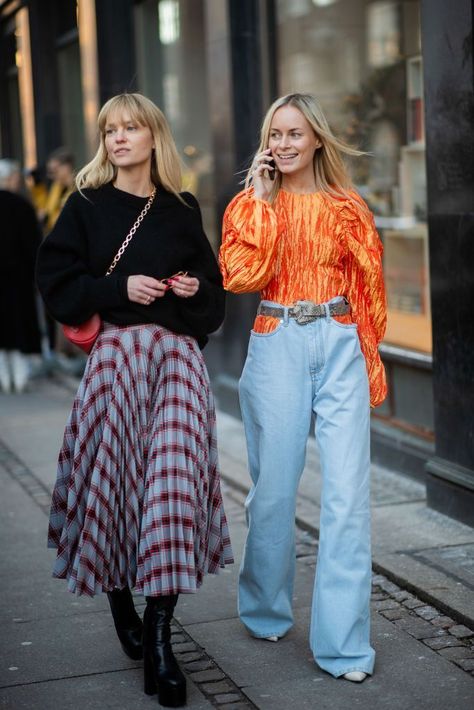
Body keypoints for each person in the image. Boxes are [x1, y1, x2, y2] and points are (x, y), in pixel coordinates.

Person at [36, 92, 233, 708]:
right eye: (110, 130)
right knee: (118, 484)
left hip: (177, 364)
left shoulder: (181, 208)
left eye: (132, 128)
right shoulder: (86, 205)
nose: (120, 138)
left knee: (171, 489)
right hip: (117, 361)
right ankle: (120, 594)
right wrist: (120, 285)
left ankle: (159, 633)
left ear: (154, 137)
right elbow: (58, 283)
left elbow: (214, 302)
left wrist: (196, 286)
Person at [219, 93, 387, 683]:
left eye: (295, 134)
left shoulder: (348, 207)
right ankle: (266, 607)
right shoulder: (249, 205)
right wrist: (264, 205)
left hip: (340, 338)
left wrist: (370, 359)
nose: (284, 145)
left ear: (317, 138)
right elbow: (241, 277)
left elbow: (370, 292)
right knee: (273, 490)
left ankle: (343, 646)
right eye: (276, 135)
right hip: (277, 337)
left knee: (346, 499)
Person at [0, 159, 43, 393]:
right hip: (19, 279)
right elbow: (34, 246)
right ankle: (19, 378)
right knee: (19, 327)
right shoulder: (23, 206)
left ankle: (4, 379)